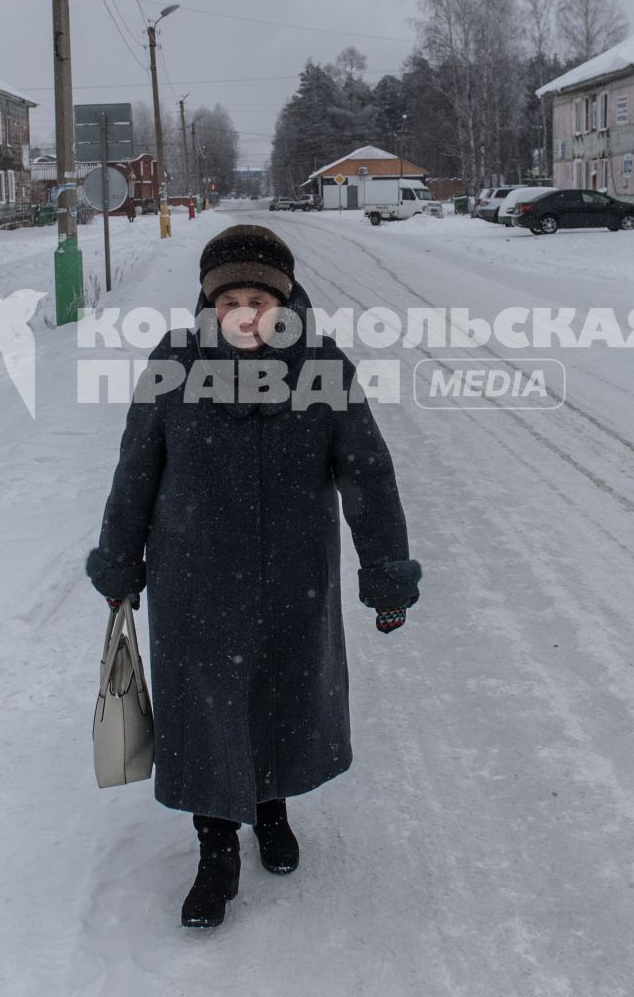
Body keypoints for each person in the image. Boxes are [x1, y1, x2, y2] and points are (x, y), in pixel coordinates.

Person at [85, 223, 422, 929]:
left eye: (260, 299)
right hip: (194, 577)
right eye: (231, 297)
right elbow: (136, 470)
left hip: (294, 571)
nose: (247, 312)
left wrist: (385, 573)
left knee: (282, 695)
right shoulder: (173, 364)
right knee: (205, 710)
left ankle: (271, 809)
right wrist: (121, 562)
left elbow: (367, 475)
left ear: (285, 301)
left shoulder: (322, 366)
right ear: (210, 304)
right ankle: (215, 849)